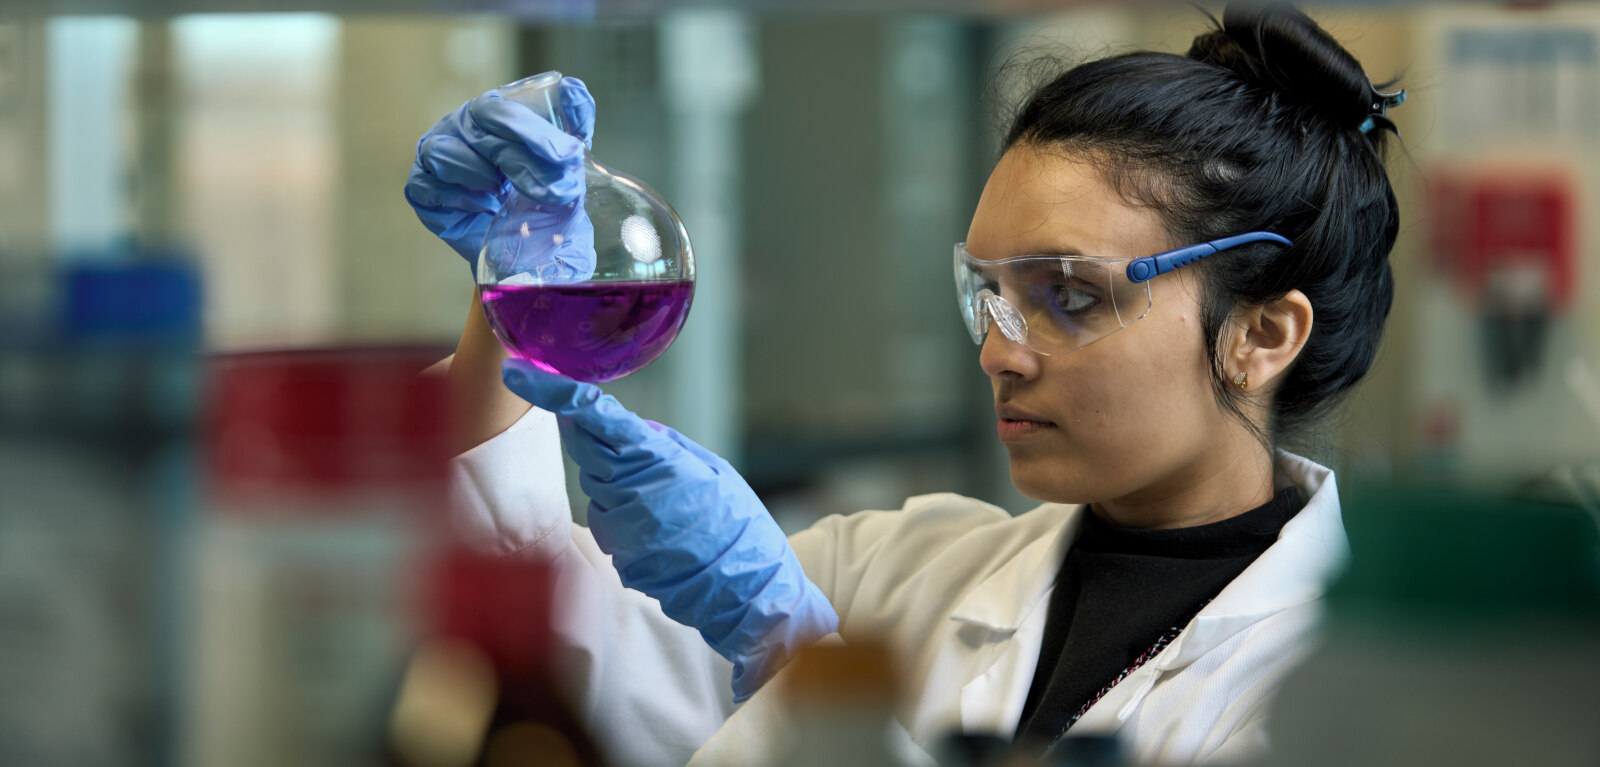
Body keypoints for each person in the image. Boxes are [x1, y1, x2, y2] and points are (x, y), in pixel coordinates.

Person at [406, 5, 1403, 765]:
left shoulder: (1349, 696)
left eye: (1067, 295)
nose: (999, 351)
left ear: (1262, 333)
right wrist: (517, 287)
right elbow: (537, 636)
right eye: (986, 292)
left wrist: (804, 663)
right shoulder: (896, 570)